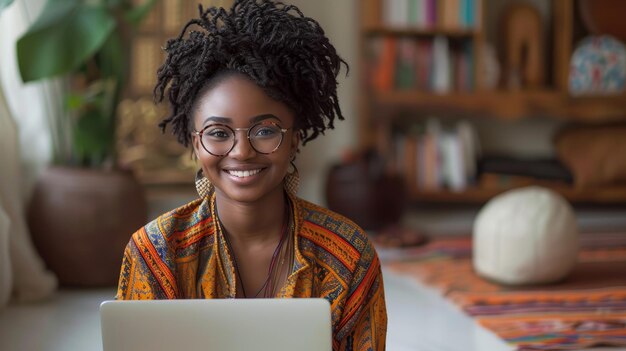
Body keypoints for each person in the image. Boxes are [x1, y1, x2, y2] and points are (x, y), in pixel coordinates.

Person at [115, 0, 387, 350]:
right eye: (218, 132)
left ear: (295, 140)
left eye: (264, 131)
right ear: (195, 144)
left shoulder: (348, 256)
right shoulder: (155, 252)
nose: (241, 151)